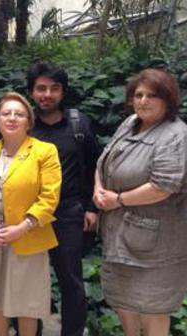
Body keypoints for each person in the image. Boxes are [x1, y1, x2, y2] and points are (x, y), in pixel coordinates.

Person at [93, 68, 187, 336]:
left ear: (168, 99)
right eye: (139, 94)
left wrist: (118, 200)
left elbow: (163, 185)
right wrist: (99, 188)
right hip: (120, 236)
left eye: (152, 95)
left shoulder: (175, 135)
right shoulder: (131, 122)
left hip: (156, 248)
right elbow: (104, 160)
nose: (143, 100)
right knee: (125, 303)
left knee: (153, 308)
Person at [0, 92, 61, 336]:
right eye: (6, 113)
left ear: (28, 121)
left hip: (27, 239)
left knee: (26, 302)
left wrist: (22, 227)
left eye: (19, 114)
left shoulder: (45, 152)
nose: (12, 118)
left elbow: (49, 197)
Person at [27, 62, 101, 336]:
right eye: (41, 88)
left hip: (68, 214)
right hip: (29, 217)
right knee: (29, 280)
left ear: (63, 92)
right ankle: (28, 330)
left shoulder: (78, 124)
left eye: (54, 88)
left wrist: (93, 208)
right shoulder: (23, 125)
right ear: (32, 92)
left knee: (71, 281)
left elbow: (96, 166)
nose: (47, 94)